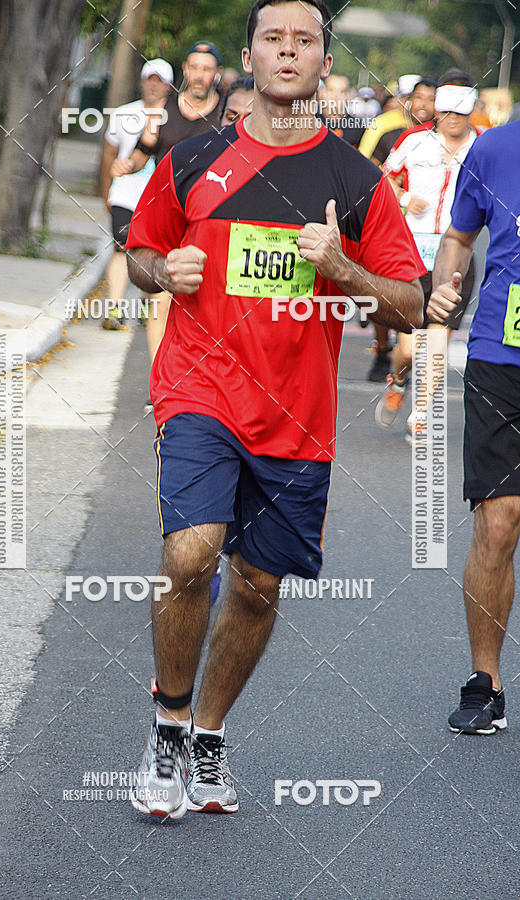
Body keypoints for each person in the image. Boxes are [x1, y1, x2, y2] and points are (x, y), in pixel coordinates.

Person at [125, 0, 424, 819]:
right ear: (249, 56)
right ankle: (169, 722)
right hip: (199, 389)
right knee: (192, 555)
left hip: (296, 416)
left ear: (324, 62)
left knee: (256, 584)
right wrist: (164, 273)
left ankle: (211, 734)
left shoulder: (354, 179)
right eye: (273, 38)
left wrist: (346, 269)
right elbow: (140, 253)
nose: (288, 52)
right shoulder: (194, 158)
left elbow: (411, 302)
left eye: (305, 41)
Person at [427, 119, 520, 734]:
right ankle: (483, 682)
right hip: (500, 354)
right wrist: (443, 289)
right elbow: (459, 237)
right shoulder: (493, 148)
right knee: (499, 519)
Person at [113, 41, 223, 402]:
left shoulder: (225, 112)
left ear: (216, 74)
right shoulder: (162, 110)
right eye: (194, 67)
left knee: (203, 303)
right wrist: (126, 164)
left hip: (209, 220)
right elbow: (144, 151)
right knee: (159, 296)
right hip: (166, 216)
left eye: (207, 69)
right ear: (185, 70)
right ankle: (162, 381)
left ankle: (201, 379)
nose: (200, 75)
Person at [375, 73, 479, 441]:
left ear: (472, 111)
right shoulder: (413, 140)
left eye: (460, 112)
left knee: (437, 340)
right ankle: (398, 378)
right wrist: (404, 199)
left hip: (455, 256)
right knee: (407, 348)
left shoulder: (481, 147)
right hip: (410, 253)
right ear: (436, 109)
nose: (452, 119)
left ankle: (420, 414)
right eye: (446, 111)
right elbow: (383, 177)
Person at [360, 76, 437, 383]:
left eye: (430, 100)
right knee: (380, 292)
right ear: (408, 100)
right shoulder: (384, 126)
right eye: (418, 98)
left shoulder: (442, 136)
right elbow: (365, 165)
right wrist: (400, 192)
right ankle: (381, 347)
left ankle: (406, 364)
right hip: (385, 220)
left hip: (425, 234)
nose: (423, 105)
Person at [100, 59, 173, 330]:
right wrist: (106, 188)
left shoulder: (174, 117)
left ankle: (147, 303)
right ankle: (115, 308)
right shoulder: (122, 114)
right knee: (121, 249)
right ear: (142, 82)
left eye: (160, 81)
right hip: (125, 194)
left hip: (158, 198)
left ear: (169, 87)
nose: (154, 86)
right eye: (149, 80)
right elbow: (109, 153)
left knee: (152, 251)